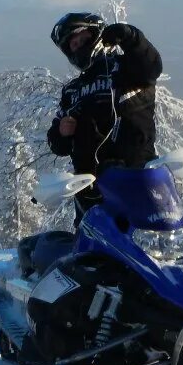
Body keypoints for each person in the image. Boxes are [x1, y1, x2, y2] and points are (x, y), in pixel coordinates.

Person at [47, 12, 163, 222]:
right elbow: (57, 145)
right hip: (91, 190)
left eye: (83, 39)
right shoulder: (72, 91)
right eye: (74, 44)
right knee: (92, 252)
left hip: (137, 178)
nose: (80, 45)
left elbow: (151, 66)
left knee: (160, 242)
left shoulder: (127, 68)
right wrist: (61, 132)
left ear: (96, 35)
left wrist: (132, 37)